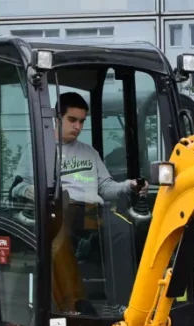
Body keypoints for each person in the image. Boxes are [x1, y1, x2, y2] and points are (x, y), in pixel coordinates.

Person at [11, 91, 148, 314]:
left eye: (82, 121)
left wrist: (128, 185)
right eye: (72, 120)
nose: (78, 127)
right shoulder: (37, 151)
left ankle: (123, 303)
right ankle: (75, 304)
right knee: (57, 236)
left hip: (93, 209)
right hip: (61, 207)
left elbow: (105, 186)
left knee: (123, 229)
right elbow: (17, 186)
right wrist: (38, 192)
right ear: (57, 118)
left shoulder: (89, 152)